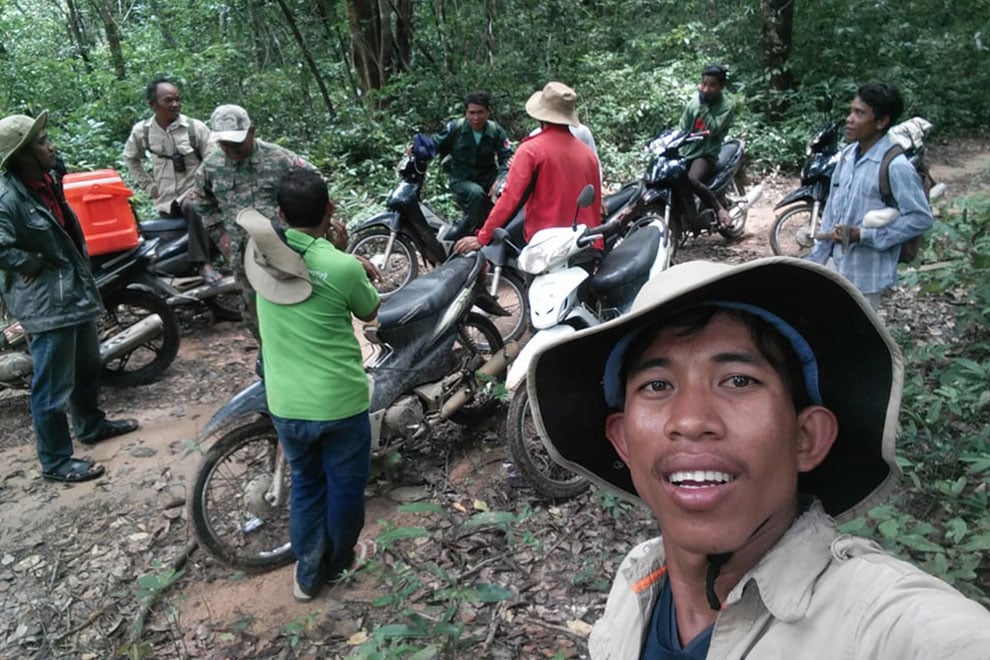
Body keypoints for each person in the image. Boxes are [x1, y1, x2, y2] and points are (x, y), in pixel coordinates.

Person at [526, 257, 990, 658]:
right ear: (623, 441)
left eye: (739, 380)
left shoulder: (878, 621)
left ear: (805, 437)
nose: (690, 419)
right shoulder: (637, 581)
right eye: (657, 386)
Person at [237, 169, 380, 601]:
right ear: (331, 209)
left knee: (307, 484)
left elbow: (299, 265)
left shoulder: (259, 258)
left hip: (286, 403)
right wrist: (340, 252)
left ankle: (307, 573)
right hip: (339, 402)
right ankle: (338, 565)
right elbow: (369, 310)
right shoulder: (342, 266)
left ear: (280, 213)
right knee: (344, 489)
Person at [0, 112, 139, 483]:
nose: (51, 145)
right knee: (52, 385)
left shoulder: (45, 181)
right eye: (43, 142)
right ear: (23, 154)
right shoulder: (8, 196)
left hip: (71, 291)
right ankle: (56, 461)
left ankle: (91, 425)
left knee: (87, 365)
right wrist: (27, 261)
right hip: (45, 301)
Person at [808, 81, 934, 309]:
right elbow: (831, 211)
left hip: (865, 276)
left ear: (881, 122)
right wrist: (817, 259)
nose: (849, 119)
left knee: (855, 338)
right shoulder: (846, 156)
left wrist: (864, 235)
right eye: (850, 111)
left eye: (859, 113)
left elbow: (921, 218)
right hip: (833, 266)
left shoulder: (896, 166)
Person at [193, 104, 317, 327]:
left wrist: (304, 231)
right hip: (243, 257)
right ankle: (269, 358)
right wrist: (223, 238)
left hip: (286, 252)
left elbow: (314, 186)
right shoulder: (210, 167)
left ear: (251, 131)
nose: (230, 150)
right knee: (255, 316)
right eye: (224, 144)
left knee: (298, 308)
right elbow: (203, 204)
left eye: (236, 143)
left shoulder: (279, 158)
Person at [454, 82, 601, 254]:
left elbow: (510, 198)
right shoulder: (588, 155)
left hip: (547, 247)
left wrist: (483, 237)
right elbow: (595, 203)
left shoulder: (531, 150)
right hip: (586, 244)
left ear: (540, 116)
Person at [122, 76, 219, 283]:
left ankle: (204, 263)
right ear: (152, 104)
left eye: (177, 99)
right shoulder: (143, 131)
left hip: (192, 193)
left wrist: (200, 186)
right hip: (165, 199)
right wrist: (148, 186)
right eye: (168, 100)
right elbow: (130, 158)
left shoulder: (195, 128)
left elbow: (213, 158)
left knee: (194, 206)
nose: (175, 104)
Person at [427, 91, 513, 229]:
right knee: (476, 194)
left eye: (480, 112)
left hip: (488, 178)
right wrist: (416, 148)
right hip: (461, 179)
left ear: (488, 112)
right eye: (471, 113)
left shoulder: (495, 131)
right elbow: (434, 144)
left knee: (508, 191)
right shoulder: (456, 128)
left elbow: (507, 158)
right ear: (466, 113)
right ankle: (475, 234)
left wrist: (500, 179)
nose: (476, 117)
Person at [677, 63, 736, 229]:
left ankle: (719, 209)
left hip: (706, 153)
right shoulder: (693, 103)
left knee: (692, 179)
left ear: (721, 86)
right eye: (704, 84)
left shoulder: (726, 106)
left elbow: (713, 129)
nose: (706, 89)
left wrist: (704, 106)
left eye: (712, 85)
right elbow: (682, 127)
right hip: (687, 150)